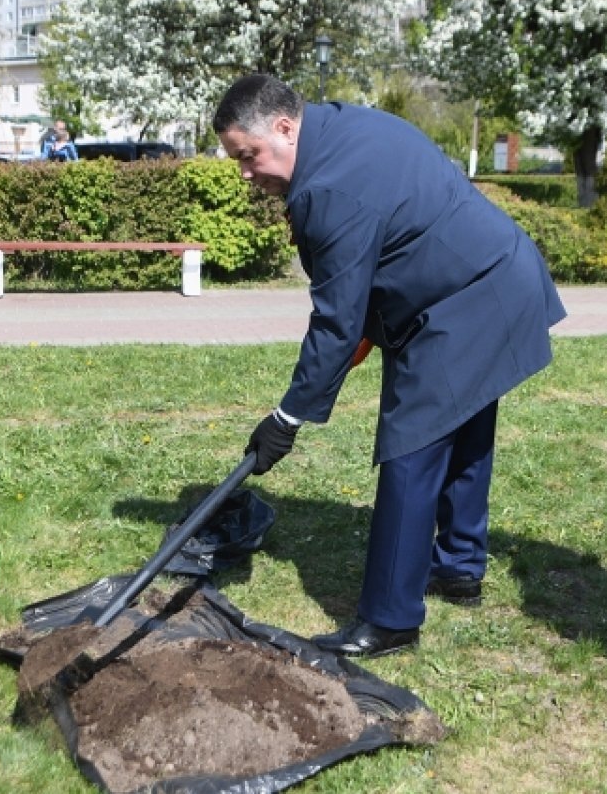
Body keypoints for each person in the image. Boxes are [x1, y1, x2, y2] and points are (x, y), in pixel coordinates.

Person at [213, 74, 566, 658]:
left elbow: (336, 322)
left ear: (284, 127)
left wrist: (287, 417)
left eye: (248, 156)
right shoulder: (337, 128)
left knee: (411, 447)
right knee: (466, 427)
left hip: (468, 297)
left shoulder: (328, 188)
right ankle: (458, 566)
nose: (246, 174)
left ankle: (390, 618)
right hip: (495, 273)